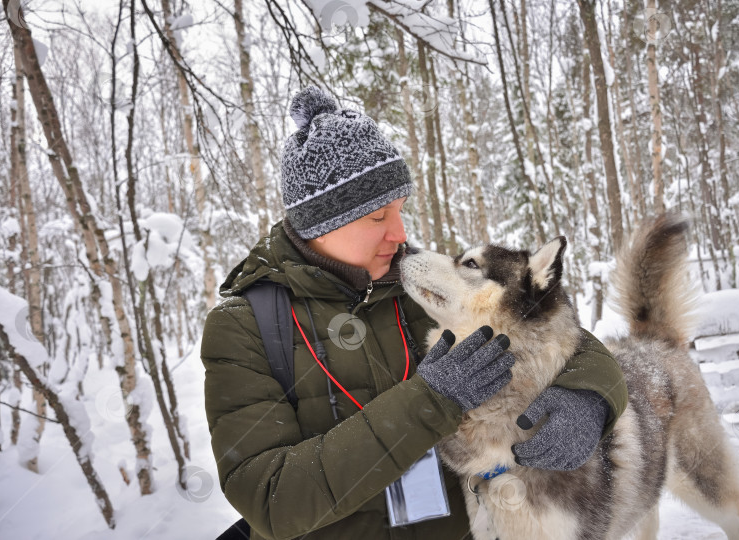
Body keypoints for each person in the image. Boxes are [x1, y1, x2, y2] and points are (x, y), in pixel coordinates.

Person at [201, 86, 628, 540]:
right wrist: (430, 402)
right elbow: (270, 499)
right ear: (320, 223)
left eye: (401, 210)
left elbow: (544, 330)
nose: (400, 233)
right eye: (378, 217)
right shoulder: (243, 325)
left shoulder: (416, 284)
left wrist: (592, 397)